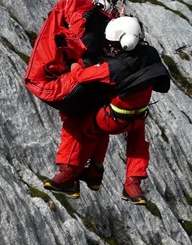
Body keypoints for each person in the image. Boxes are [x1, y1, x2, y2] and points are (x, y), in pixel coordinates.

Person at [44, 16, 170, 204]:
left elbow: (81, 76)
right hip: (137, 117)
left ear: (124, 43)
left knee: (77, 125)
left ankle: (69, 174)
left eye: (113, 44)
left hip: (111, 120)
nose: (110, 47)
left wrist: (74, 63)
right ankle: (131, 183)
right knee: (137, 144)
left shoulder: (114, 68)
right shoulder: (150, 53)